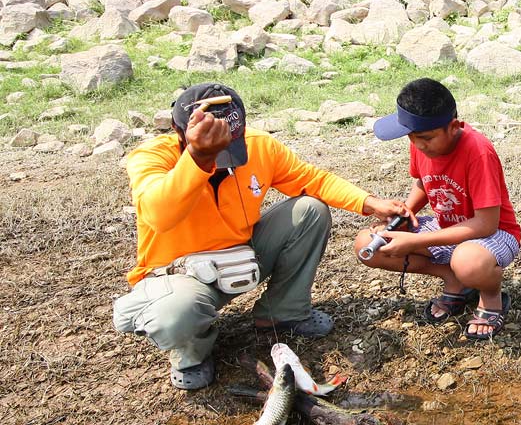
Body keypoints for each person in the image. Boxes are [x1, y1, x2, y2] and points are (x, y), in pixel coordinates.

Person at [113, 82, 406, 390]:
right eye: (213, 146)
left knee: (309, 210)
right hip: (178, 276)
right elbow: (159, 215)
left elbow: (311, 180)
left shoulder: (259, 145)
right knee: (174, 314)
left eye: (229, 144)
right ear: (177, 130)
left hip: (241, 259)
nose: (222, 156)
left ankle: (281, 314)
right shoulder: (150, 157)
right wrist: (198, 158)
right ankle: (191, 352)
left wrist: (370, 203)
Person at [354, 78, 521, 342]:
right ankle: (454, 280)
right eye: (411, 137)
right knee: (367, 243)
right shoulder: (421, 142)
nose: (418, 145)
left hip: (493, 235)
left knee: (468, 261)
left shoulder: (478, 152)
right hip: (447, 227)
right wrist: (405, 212)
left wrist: (416, 240)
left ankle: (490, 298)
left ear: (453, 127)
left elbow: (486, 224)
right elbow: (423, 181)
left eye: (426, 138)